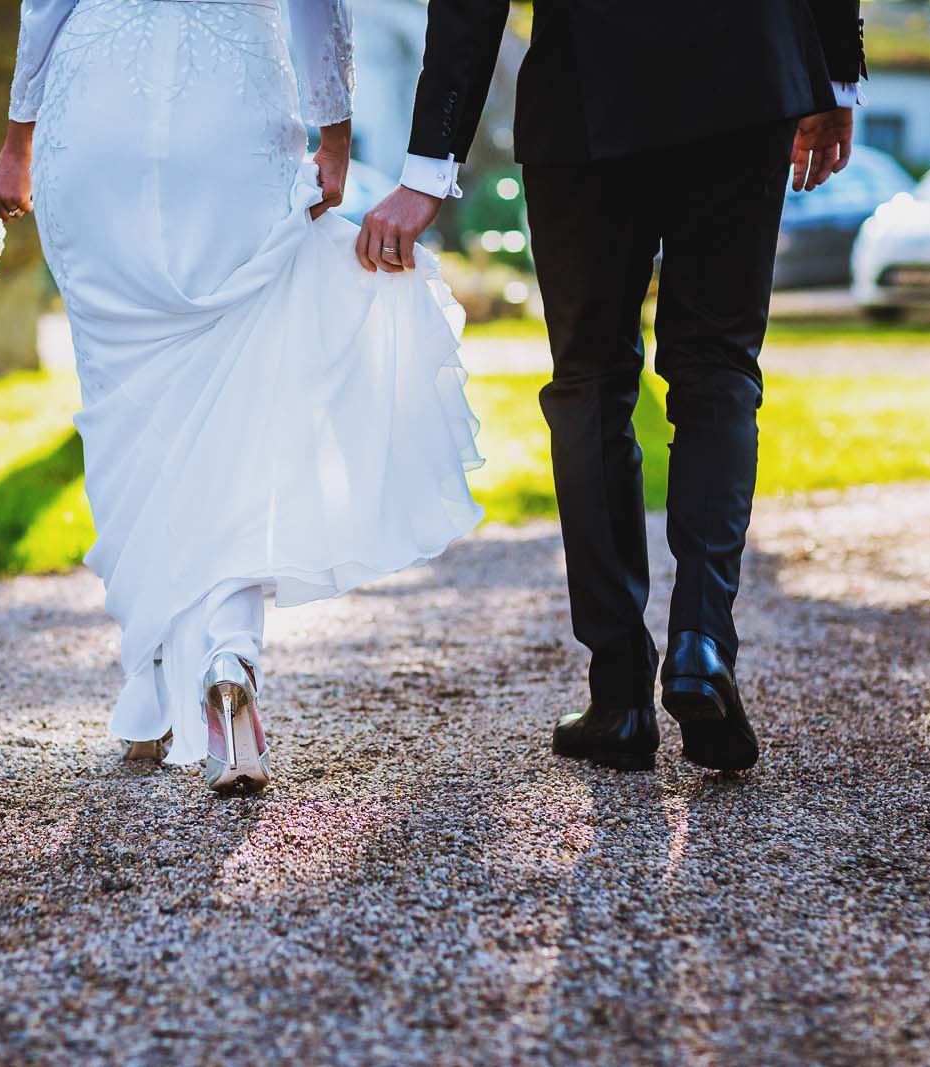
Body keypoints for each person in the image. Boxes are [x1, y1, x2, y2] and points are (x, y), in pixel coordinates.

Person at [0, 0, 485, 794]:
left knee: (122, 399)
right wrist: (336, 131)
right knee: (241, 382)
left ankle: (146, 689)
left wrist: (17, 141)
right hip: (230, 107)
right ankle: (228, 648)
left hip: (95, 103)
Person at [359, 0, 867, 773]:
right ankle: (701, 645)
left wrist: (429, 167)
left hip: (587, 86)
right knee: (717, 367)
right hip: (747, 67)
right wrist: (835, 75)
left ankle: (621, 693)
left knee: (591, 383)